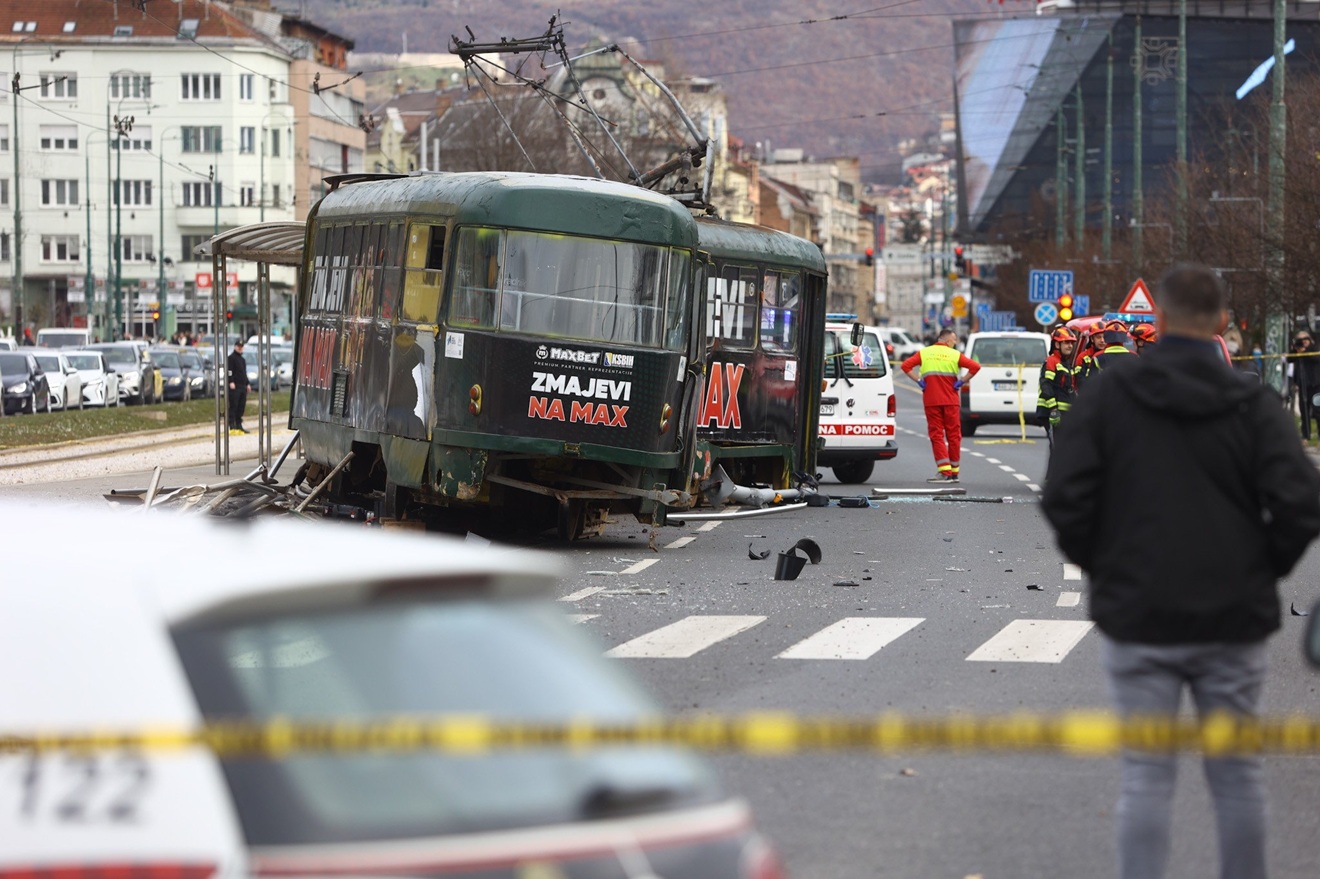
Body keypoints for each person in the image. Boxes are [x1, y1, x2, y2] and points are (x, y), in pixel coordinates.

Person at [1042, 264, 1320, 879]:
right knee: (1237, 777)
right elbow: (1303, 501)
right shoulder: (1253, 402)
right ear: (1222, 323)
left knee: (1145, 776)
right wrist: (1263, 566)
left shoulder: (1111, 396)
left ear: (1157, 321)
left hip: (1139, 612)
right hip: (1233, 617)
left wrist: (1107, 565)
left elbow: (1063, 496)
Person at [901, 328, 980, 482]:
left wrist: (918, 380)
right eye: (954, 340)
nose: (955, 342)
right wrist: (962, 381)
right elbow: (975, 367)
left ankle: (944, 472)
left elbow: (905, 366)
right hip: (951, 400)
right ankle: (954, 472)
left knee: (936, 435)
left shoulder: (925, 353)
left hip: (932, 400)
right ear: (947, 340)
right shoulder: (955, 354)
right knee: (954, 435)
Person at [1037, 326, 1078, 441]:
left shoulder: (1066, 363)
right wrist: (1053, 409)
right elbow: (1046, 384)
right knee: (1056, 448)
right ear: (1057, 345)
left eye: (1071, 343)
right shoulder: (1052, 361)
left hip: (1063, 413)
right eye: (1066, 343)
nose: (1070, 346)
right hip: (1053, 413)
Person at [1287, 330, 1320, 440]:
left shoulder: (1315, 348)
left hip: (1316, 383)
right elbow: (1289, 359)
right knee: (1304, 410)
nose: (1303, 342)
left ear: (1309, 339)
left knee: (1317, 410)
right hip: (1303, 384)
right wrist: (1296, 350)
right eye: (1300, 340)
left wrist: (1305, 351)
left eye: (1305, 339)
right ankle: (1306, 435)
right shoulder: (1297, 350)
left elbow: (1317, 359)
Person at [226, 339, 252, 434]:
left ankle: (238, 423)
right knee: (234, 405)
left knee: (241, 406)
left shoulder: (242, 360)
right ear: (235, 347)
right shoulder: (231, 358)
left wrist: (247, 383)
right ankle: (232, 424)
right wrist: (231, 381)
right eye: (238, 346)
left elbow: (243, 373)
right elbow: (229, 371)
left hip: (242, 386)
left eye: (241, 347)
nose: (240, 348)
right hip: (234, 386)